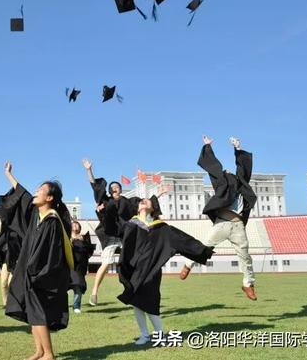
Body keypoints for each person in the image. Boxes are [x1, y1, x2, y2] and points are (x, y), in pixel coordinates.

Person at [117, 195, 214, 345]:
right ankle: (144, 335)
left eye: (147, 200)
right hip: (134, 269)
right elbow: (113, 225)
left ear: (154, 208)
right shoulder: (131, 224)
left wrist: (203, 251)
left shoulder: (162, 228)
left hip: (152, 269)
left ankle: (159, 334)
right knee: (136, 302)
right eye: (141, 201)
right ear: (136, 208)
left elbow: (183, 240)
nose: (143, 201)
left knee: (150, 303)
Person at [2, 161, 74, 360]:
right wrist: (9, 175)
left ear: (49, 198)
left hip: (43, 274)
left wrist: (33, 272)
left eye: (41, 190)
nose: (36, 191)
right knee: (33, 313)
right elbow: (23, 195)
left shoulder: (51, 221)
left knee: (38, 312)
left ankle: (49, 354)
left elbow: (49, 253)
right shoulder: (37, 216)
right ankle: (39, 351)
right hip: (32, 273)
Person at [180, 135, 258, 301]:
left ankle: (248, 284)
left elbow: (243, 169)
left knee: (245, 257)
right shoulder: (222, 186)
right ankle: (188, 265)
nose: (228, 171)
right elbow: (214, 167)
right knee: (204, 247)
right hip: (222, 223)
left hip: (238, 226)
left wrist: (237, 149)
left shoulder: (241, 185)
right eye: (226, 173)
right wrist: (208, 147)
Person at [81, 158, 134, 306]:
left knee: (133, 261)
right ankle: (94, 293)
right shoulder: (106, 201)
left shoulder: (127, 202)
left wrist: (160, 195)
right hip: (110, 234)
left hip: (124, 235)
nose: (114, 188)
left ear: (121, 190)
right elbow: (95, 186)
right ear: (110, 191)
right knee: (106, 262)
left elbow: (143, 204)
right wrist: (89, 170)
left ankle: (134, 290)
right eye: (112, 187)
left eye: (117, 186)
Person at [68, 221, 95, 314]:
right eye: (73, 224)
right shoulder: (66, 238)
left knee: (78, 286)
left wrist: (85, 241)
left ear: (80, 228)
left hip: (80, 268)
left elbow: (90, 251)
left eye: (77, 225)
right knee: (62, 287)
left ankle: (76, 306)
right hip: (68, 267)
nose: (75, 225)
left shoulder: (83, 239)